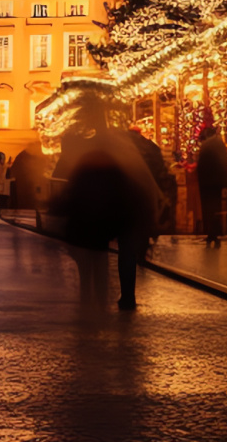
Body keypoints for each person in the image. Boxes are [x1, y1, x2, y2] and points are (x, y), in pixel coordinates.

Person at [48, 131, 161, 310]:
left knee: (91, 265)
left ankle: (90, 302)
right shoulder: (127, 163)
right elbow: (140, 193)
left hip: (96, 224)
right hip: (117, 220)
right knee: (117, 259)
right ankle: (117, 299)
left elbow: (71, 194)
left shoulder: (89, 164)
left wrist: (56, 213)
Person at [194, 121, 227, 247]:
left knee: (208, 208)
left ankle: (211, 234)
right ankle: (215, 233)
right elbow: (224, 163)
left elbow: (201, 164)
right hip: (216, 181)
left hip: (205, 181)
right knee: (215, 207)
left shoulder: (206, 145)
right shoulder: (218, 143)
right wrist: (226, 183)